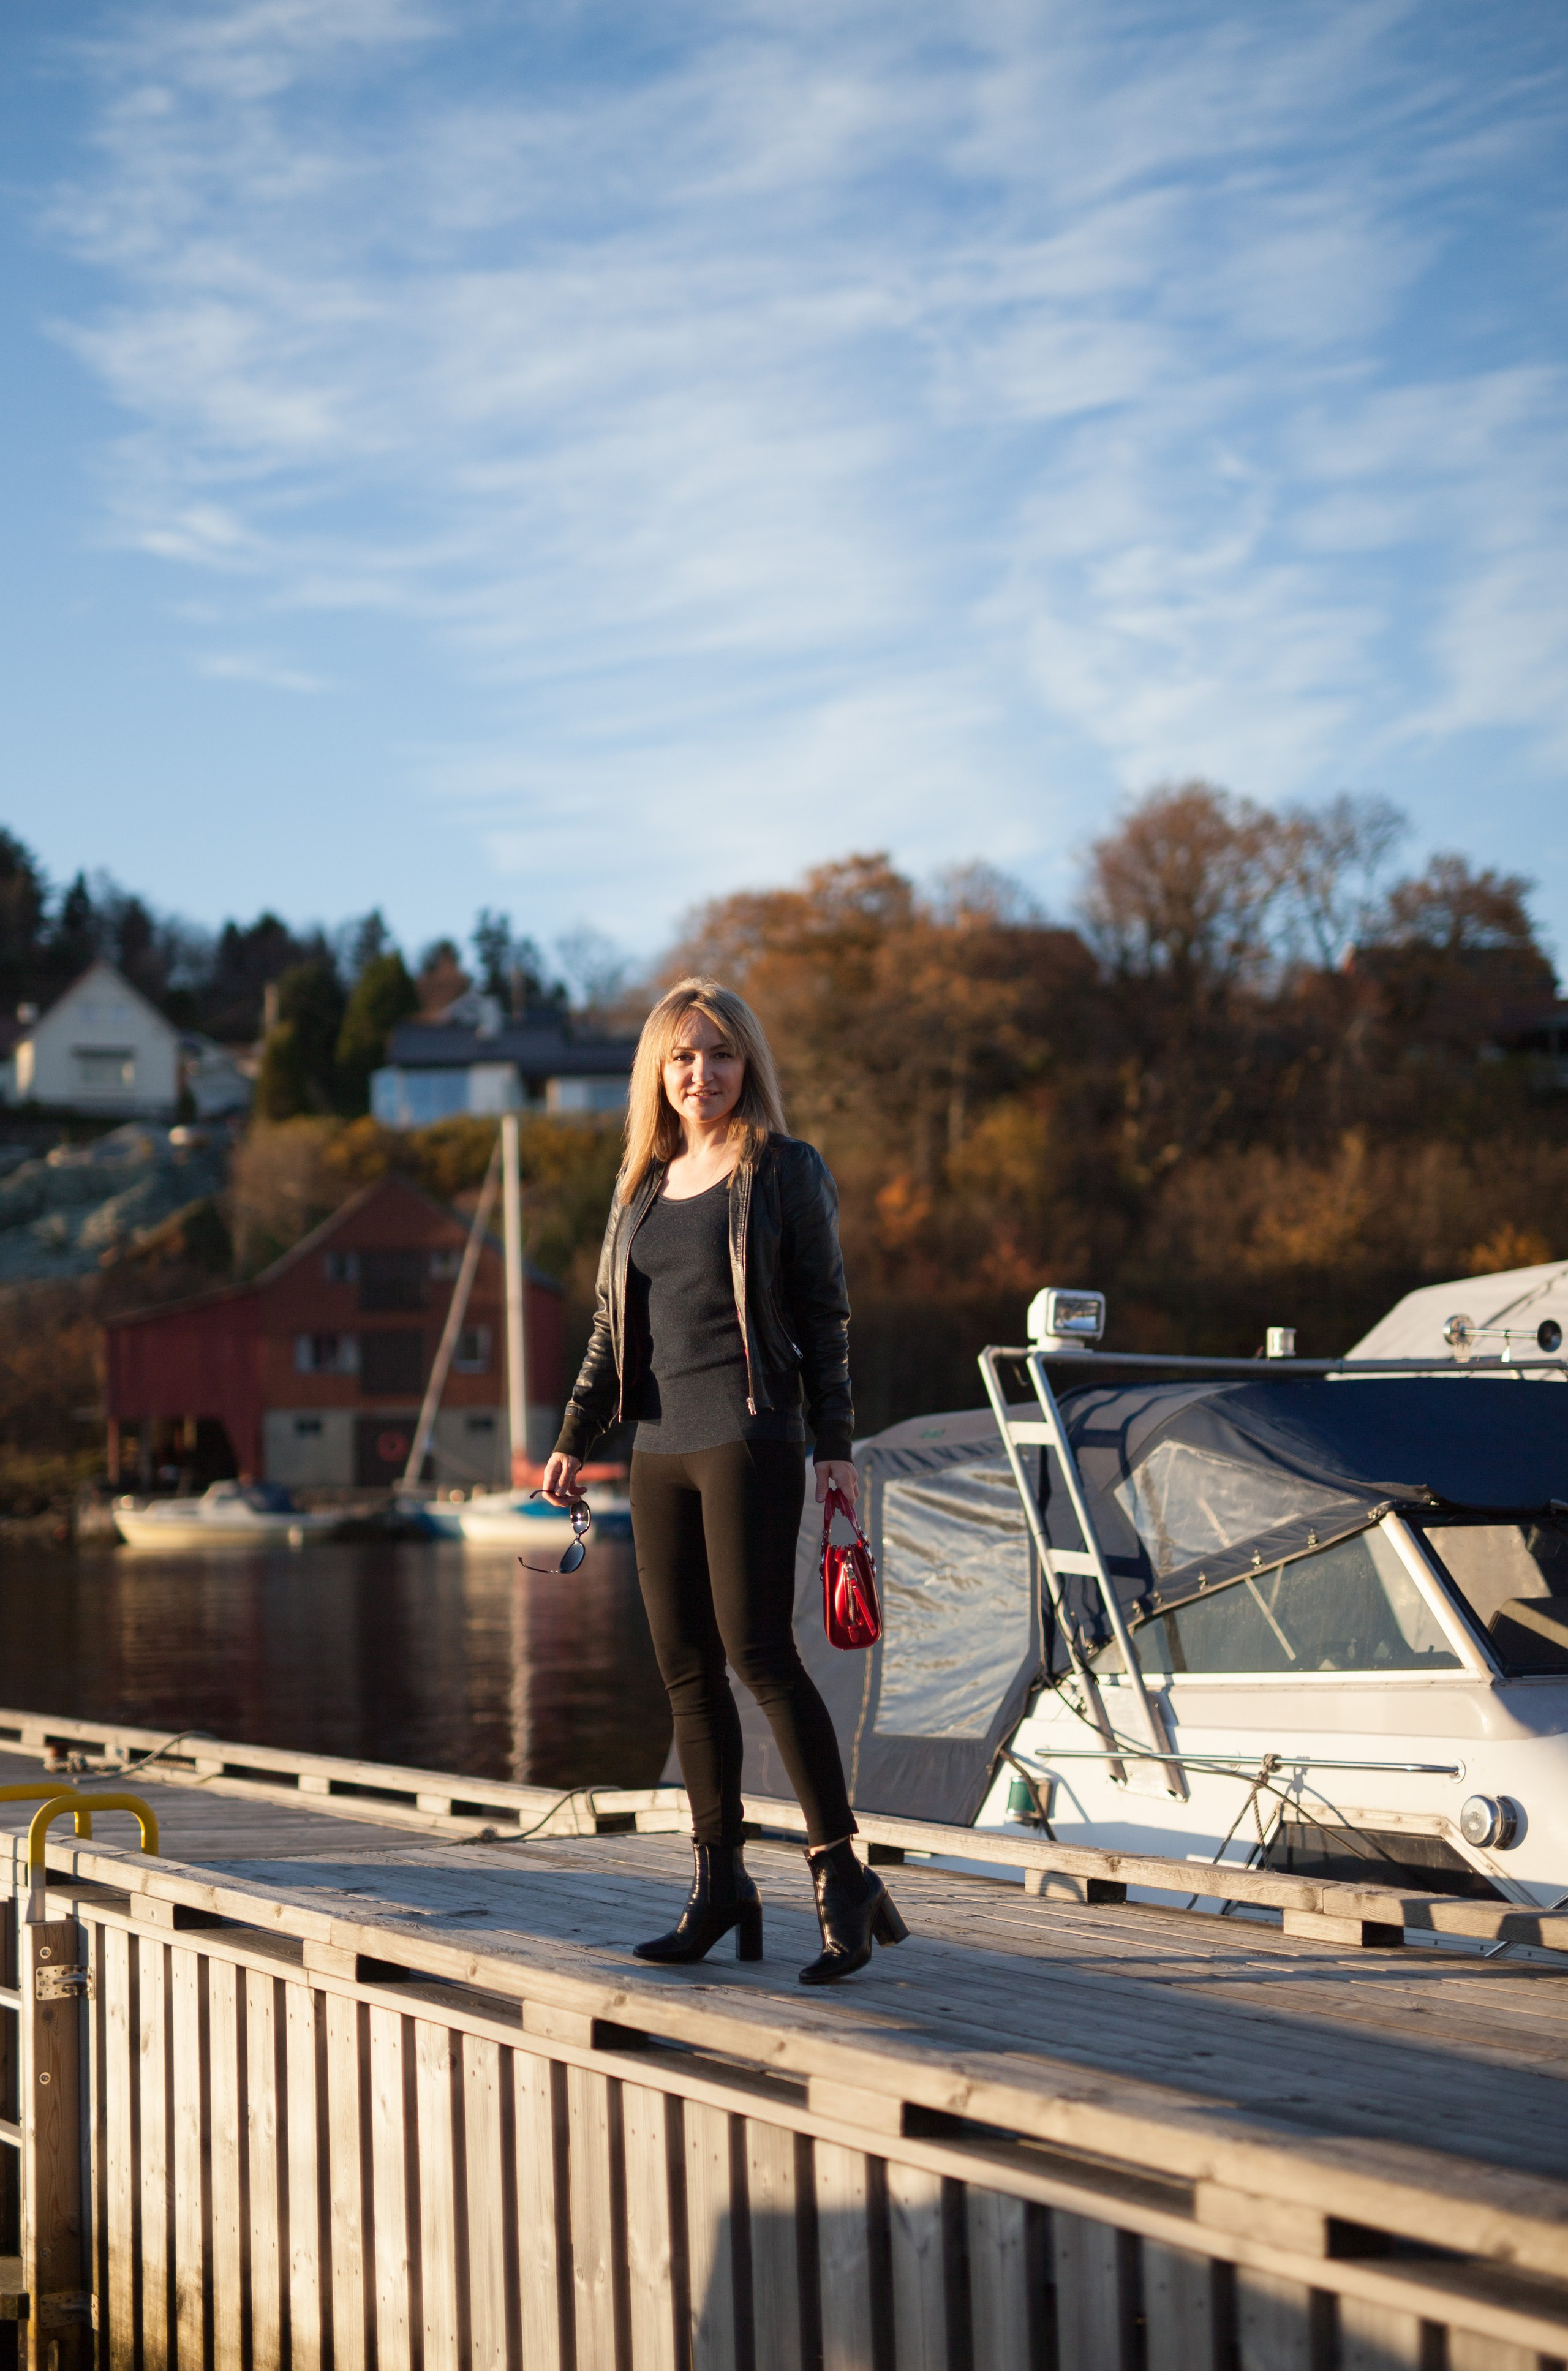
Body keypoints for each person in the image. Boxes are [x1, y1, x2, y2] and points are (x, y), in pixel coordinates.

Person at [541, 977, 908, 1984]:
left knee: (760, 1654)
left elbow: (825, 1317)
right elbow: (612, 1329)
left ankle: (840, 1874)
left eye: (721, 1054)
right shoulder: (640, 1187)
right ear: (657, 1072)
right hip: (657, 1450)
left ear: (749, 1065)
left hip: (752, 1436)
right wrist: (574, 1433)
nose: (701, 1073)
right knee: (685, 1670)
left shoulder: (785, 1170)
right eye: (683, 1056)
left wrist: (835, 1447)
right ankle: (719, 1885)